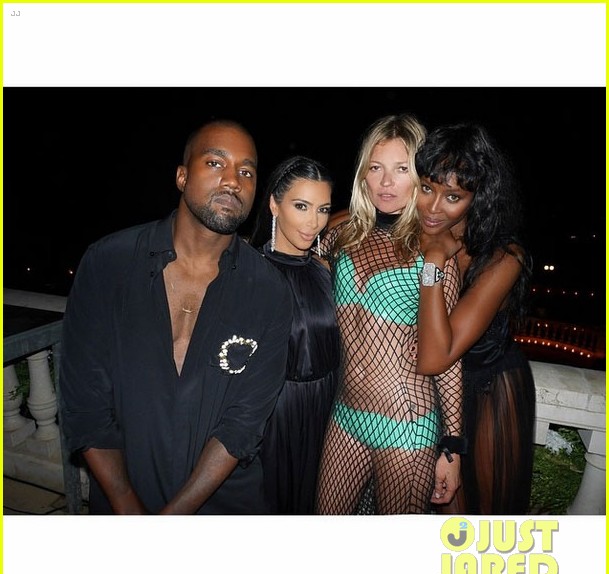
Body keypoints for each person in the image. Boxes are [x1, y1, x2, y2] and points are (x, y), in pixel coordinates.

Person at [59, 119, 293, 515]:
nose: (233, 181)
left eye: (247, 171)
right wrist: (125, 502)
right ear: (182, 176)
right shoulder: (108, 264)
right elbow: (85, 403)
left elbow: (244, 424)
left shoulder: (269, 291)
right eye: (215, 163)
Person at [316, 114, 465, 515]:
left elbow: (449, 358)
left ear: (420, 177)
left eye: (401, 169)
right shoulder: (340, 237)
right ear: (363, 175)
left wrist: (452, 446)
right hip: (345, 415)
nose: (385, 182)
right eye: (375, 168)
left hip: (407, 425)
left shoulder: (434, 253)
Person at [415, 122, 535, 515]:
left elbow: (435, 356)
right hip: (432, 394)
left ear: (478, 197)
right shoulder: (414, 229)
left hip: (489, 393)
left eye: (453, 196)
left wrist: (434, 259)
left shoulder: (504, 257)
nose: (434, 207)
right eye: (426, 188)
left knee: (482, 520)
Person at [249, 155, 341, 514]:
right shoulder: (250, 273)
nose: (313, 222)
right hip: (276, 417)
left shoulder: (327, 271)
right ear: (274, 204)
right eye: (301, 206)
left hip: (329, 413)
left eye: (322, 209)